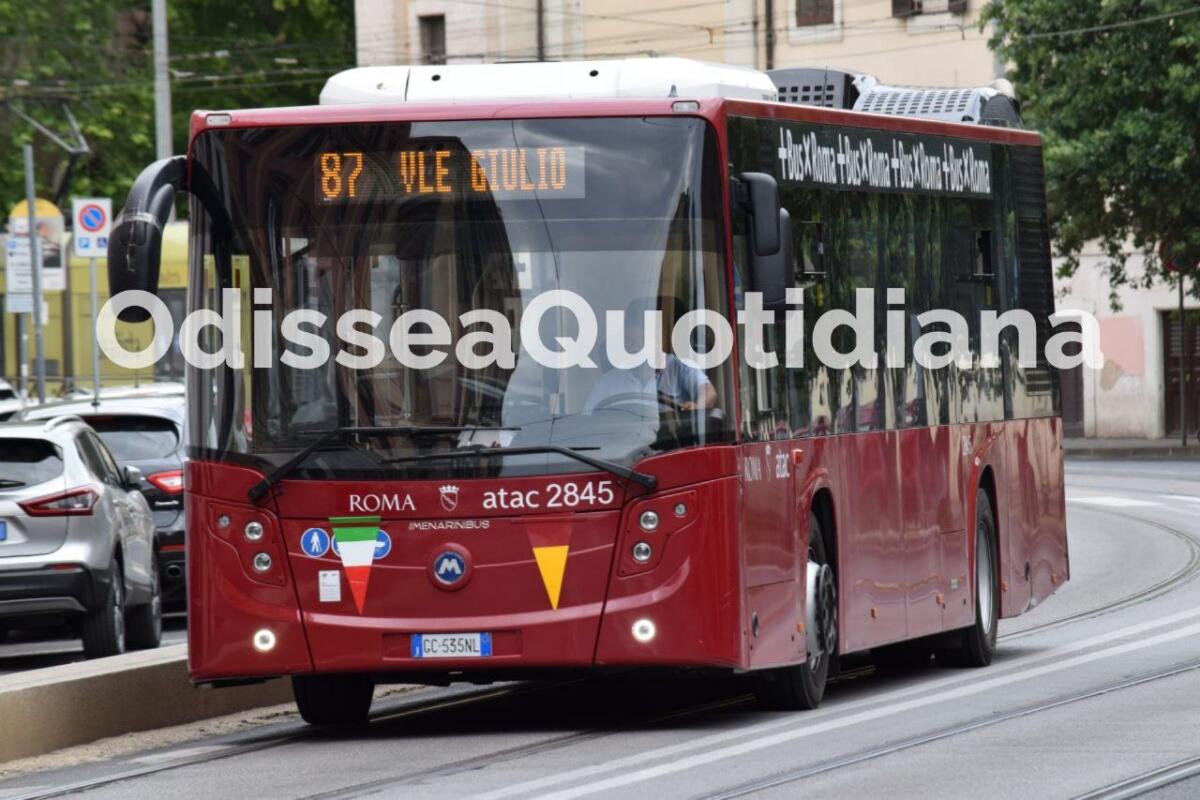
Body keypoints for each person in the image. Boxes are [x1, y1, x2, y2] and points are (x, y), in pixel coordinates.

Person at [584, 297, 718, 414]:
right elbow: (587, 421)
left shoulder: (678, 367)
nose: (633, 348)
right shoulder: (608, 382)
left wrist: (697, 408)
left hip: (674, 441)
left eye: (639, 341)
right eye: (629, 341)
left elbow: (709, 393)